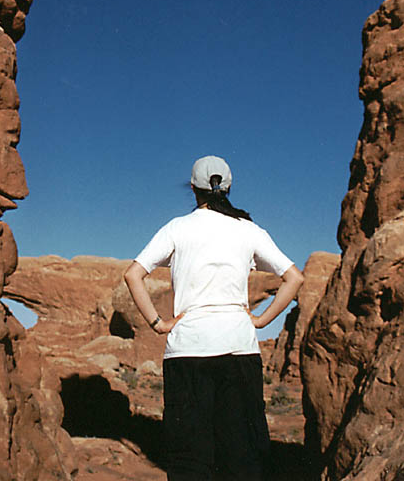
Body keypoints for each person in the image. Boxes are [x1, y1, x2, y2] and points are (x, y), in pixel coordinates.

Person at [124, 155, 304, 481]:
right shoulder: (248, 230)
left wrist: (158, 323)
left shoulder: (176, 228)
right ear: (229, 187)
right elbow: (294, 278)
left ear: (193, 188)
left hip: (187, 352)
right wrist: (262, 320)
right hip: (239, 349)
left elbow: (133, 275)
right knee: (243, 455)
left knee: (189, 459)